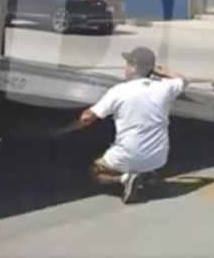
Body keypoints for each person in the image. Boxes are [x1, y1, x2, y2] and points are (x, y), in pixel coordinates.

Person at [56, 46, 187, 203]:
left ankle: (124, 179)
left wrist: (64, 129)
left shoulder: (119, 91)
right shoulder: (165, 87)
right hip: (158, 157)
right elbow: (184, 80)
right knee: (140, 156)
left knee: (95, 170)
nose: (125, 68)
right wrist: (164, 72)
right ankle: (145, 175)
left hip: (128, 155)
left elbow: (87, 118)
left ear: (133, 66)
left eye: (127, 64)